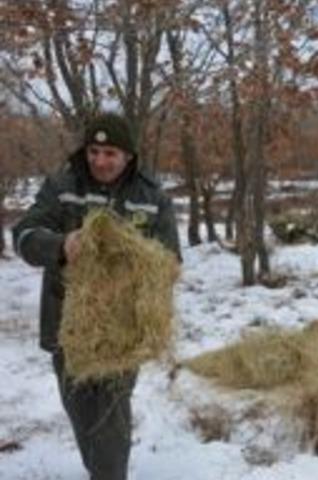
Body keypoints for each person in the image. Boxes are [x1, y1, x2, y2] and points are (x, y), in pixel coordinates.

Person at [12, 112, 180, 480]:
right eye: (94, 151)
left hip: (123, 332)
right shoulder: (62, 185)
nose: (100, 161)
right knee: (82, 414)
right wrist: (60, 244)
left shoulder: (151, 196)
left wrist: (145, 267)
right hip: (66, 329)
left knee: (110, 417)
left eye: (110, 153)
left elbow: (171, 260)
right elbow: (23, 236)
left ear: (129, 156)